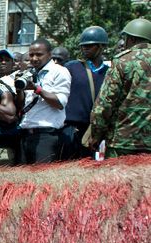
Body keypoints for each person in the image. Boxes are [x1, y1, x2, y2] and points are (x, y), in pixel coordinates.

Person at [85, 18, 151, 156]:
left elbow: (104, 104)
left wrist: (96, 135)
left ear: (131, 39)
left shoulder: (123, 61)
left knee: (119, 178)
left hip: (123, 142)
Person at [15, 38, 71, 164]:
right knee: (23, 181)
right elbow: (21, 105)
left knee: (42, 180)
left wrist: (37, 89)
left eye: (39, 54)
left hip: (46, 136)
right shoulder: (29, 73)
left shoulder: (59, 71)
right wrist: (19, 90)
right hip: (26, 134)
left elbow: (60, 103)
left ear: (50, 55)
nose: (34, 58)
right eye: (31, 55)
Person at [61, 26, 109, 159]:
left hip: (97, 130)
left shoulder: (110, 71)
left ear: (101, 47)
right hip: (72, 130)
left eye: (90, 45)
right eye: (83, 46)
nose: (85, 48)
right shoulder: (71, 67)